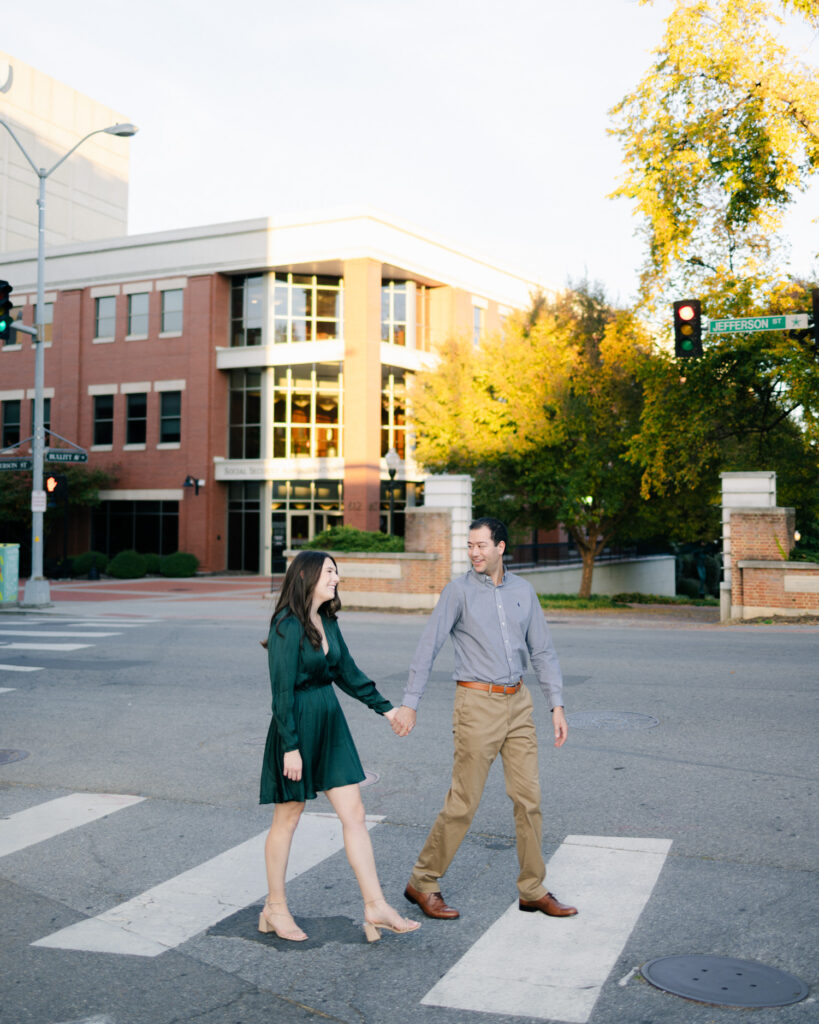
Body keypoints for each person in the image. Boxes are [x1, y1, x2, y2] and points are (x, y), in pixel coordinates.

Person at [390, 517, 577, 920]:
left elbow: (543, 651)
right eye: (470, 546)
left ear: (501, 547)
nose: (474, 552)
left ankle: (532, 888)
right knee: (464, 803)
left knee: (529, 800)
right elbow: (428, 647)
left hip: (519, 703)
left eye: (481, 545)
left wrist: (556, 705)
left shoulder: (524, 592)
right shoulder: (457, 592)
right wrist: (410, 702)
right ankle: (423, 881)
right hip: (476, 704)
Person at [259, 550, 420, 943]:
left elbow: (346, 671)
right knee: (288, 817)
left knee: (355, 813)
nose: (336, 578)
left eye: (336, 572)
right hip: (295, 724)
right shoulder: (286, 624)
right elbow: (280, 692)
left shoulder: (327, 620)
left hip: (329, 722)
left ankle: (375, 906)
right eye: (330, 572)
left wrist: (387, 709)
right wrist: (290, 747)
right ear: (308, 577)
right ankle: (274, 908)